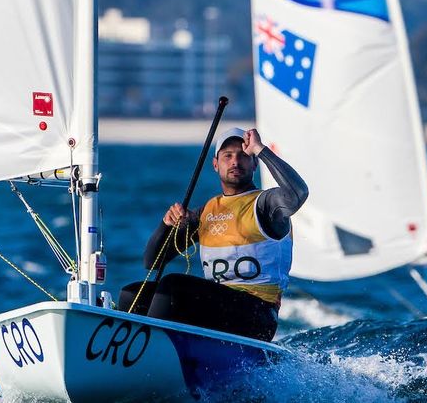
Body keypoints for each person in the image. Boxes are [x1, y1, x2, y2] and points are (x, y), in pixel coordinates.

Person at [119, 127, 308, 341]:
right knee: (133, 294)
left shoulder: (266, 205)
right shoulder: (207, 212)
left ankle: (150, 348)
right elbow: (152, 262)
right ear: (216, 164)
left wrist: (260, 149)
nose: (235, 162)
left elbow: (298, 193)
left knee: (173, 287)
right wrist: (166, 225)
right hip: (220, 309)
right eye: (228, 156)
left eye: (243, 155)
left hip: (258, 314)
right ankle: (127, 351)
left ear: (254, 163)